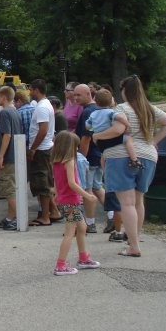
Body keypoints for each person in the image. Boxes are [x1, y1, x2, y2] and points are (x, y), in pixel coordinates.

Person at [93, 75, 166, 257]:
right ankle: (134, 239)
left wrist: (98, 136)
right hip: (148, 156)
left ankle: (134, 247)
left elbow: (118, 130)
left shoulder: (120, 109)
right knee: (139, 201)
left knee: (126, 203)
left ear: (124, 91)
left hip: (121, 156)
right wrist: (152, 141)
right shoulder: (150, 109)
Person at [51, 130, 101, 275]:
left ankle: (83, 257)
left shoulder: (56, 162)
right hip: (71, 201)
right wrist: (87, 195)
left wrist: (58, 194)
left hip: (66, 200)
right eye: (75, 146)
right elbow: (72, 183)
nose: (77, 149)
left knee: (82, 227)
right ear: (69, 147)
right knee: (70, 232)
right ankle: (60, 265)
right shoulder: (69, 161)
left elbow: (57, 182)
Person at [0, 86, 24, 230]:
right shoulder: (15, 111)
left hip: (8, 156)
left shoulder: (4, 112)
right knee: (12, 187)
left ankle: (16, 218)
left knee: (9, 189)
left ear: (3, 97)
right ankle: (10, 217)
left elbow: (7, 135)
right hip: (15, 154)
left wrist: (1, 156)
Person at [73, 83, 106, 233]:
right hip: (99, 154)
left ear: (88, 94)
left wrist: (81, 159)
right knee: (98, 187)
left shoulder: (87, 112)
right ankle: (113, 214)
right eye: (74, 95)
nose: (75, 98)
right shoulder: (98, 109)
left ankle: (90, 223)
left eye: (78, 95)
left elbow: (85, 138)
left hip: (90, 156)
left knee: (87, 189)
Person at [27, 79, 59, 227]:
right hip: (44, 148)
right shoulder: (45, 105)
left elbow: (43, 129)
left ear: (36, 90)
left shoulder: (41, 108)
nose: (29, 92)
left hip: (41, 150)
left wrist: (33, 148)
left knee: (42, 182)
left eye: (31, 89)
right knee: (45, 180)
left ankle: (45, 216)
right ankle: (54, 211)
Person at [87, 89, 140, 168]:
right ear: (111, 101)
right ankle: (134, 160)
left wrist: (92, 131)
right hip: (110, 139)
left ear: (95, 102)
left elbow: (87, 126)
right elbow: (120, 118)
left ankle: (105, 172)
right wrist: (128, 125)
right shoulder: (110, 112)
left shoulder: (93, 114)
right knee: (128, 139)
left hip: (99, 141)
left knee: (103, 154)